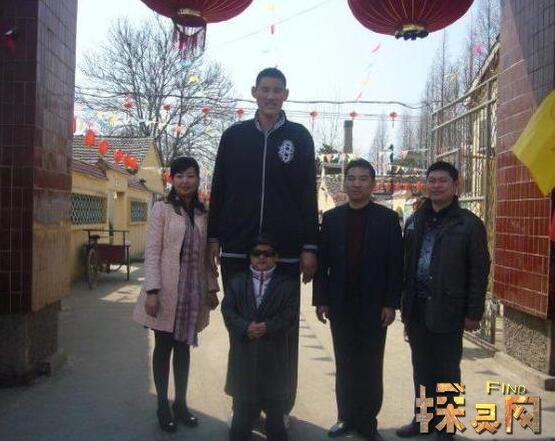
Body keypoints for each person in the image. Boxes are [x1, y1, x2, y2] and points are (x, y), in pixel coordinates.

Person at [207, 67, 319, 417]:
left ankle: (279, 406)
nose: (271, 96)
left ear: (286, 95)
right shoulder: (234, 136)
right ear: (254, 92)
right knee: (241, 328)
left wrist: (310, 246)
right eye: (265, 90)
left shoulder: (299, 137)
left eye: (277, 91)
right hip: (237, 249)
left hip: (284, 252)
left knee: (281, 332)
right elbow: (219, 187)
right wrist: (213, 236)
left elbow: (307, 194)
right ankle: (244, 405)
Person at [396, 161, 490, 441]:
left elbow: (479, 270)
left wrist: (474, 312)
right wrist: (403, 305)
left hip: (449, 309)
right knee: (422, 368)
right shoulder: (415, 221)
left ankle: (447, 427)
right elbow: (406, 265)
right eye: (432, 180)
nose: (436, 186)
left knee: (447, 371)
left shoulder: (468, 224)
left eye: (442, 181)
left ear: (455, 185)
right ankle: (424, 421)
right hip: (417, 308)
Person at [313, 159, 403, 441]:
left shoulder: (387, 220)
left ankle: (367, 422)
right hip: (340, 304)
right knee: (345, 363)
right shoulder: (332, 219)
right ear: (345, 182)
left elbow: (395, 265)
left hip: (374, 306)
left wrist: (391, 303)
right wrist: (321, 300)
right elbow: (323, 264)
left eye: (363, 179)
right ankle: (345, 417)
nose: (356, 184)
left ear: (373, 184)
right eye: (351, 178)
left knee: (371, 365)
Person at [133, 157, 220, 433]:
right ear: (171, 179)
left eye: (191, 176)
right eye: (180, 176)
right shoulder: (162, 209)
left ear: (198, 179)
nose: (185, 181)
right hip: (166, 290)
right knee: (163, 348)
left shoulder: (203, 213)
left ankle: (180, 404)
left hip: (192, 291)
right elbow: (152, 252)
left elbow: (206, 257)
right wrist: (152, 290)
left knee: (183, 348)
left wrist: (211, 288)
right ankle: (162, 405)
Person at [222, 236, 299, 441]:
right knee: (239, 430)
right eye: (257, 253)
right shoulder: (237, 282)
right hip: (244, 359)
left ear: (276, 257)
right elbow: (228, 311)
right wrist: (245, 327)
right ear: (250, 257)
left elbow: (290, 315)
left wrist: (268, 327)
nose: (262, 257)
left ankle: (275, 421)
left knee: (276, 429)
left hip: (274, 359)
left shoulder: (288, 285)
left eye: (268, 253)